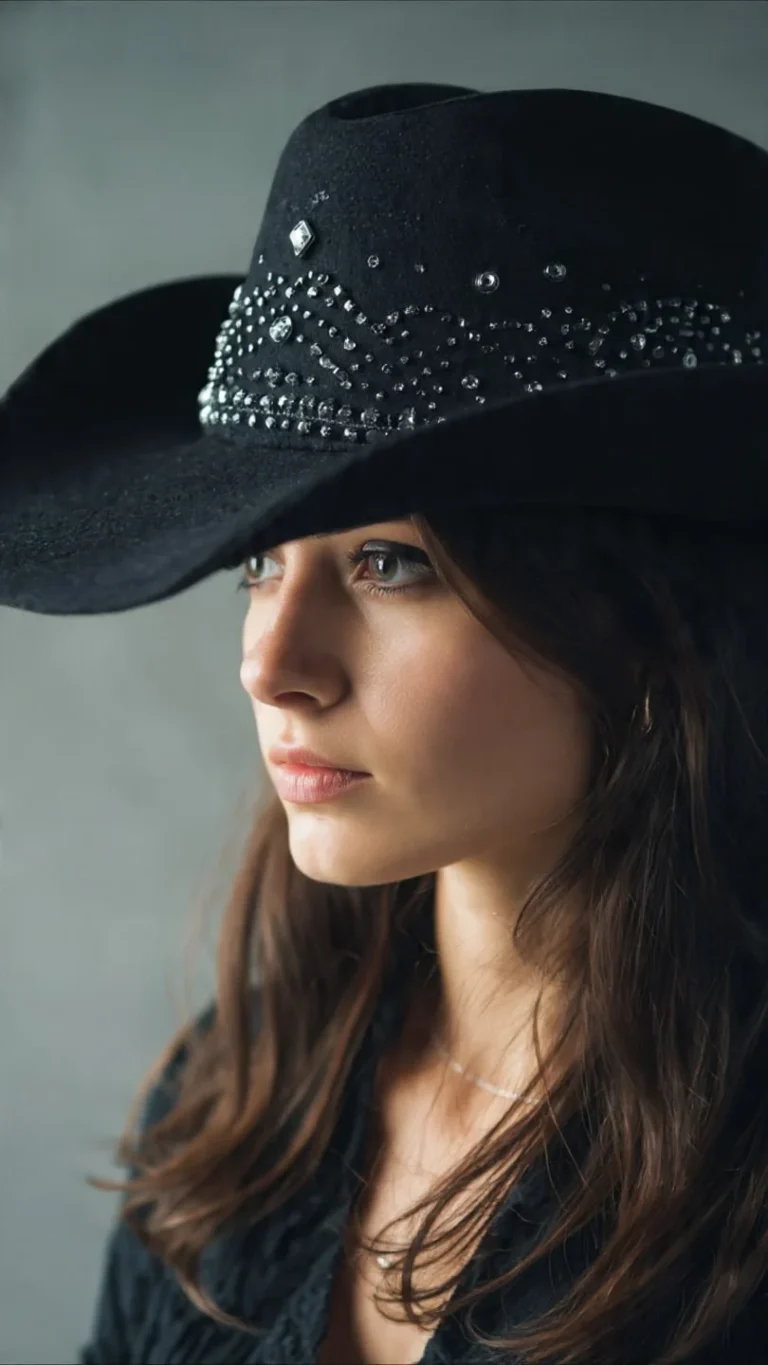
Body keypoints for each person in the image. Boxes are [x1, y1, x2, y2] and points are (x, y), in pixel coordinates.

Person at [1, 82, 767, 1365]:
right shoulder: (241, 1107)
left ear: (642, 613)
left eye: (386, 564)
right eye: (261, 562)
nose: (272, 665)